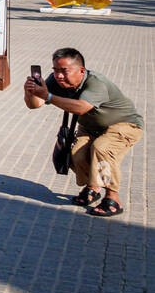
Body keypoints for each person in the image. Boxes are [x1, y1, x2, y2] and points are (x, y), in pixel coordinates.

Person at [23, 47, 144, 217]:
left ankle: (113, 198)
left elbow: (81, 108)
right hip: (91, 127)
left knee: (102, 149)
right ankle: (93, 187)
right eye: (55, 70)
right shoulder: (55, 80)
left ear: (81, 70)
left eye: (64, 71)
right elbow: (35, 104)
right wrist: (30, 92)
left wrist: (49, 96)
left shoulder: (96, 83)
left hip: (124, 124)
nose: (58, 75)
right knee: (76, 154)